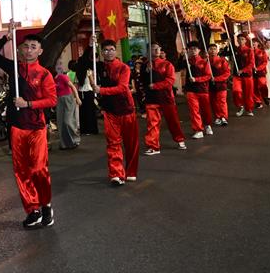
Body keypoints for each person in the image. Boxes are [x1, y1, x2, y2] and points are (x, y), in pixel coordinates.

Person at [0, 31, 56, 226]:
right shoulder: (14, 68)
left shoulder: (44, 74)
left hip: (36, 127)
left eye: (33, 47)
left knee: (38, 169)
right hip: (16, 126)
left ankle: (46, 205)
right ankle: (32, 209)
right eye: (26, 47)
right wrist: (5, 38)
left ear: (40, 51)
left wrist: (28, 104)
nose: (28, 50)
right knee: (21, 170)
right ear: (20, 49)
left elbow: (52, 99)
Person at [94, 40, 138, 185]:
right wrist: (91, 44)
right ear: (101, 52)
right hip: (109, 111)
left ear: (116, 51)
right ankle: (116, 174)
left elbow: (122, 88)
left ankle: (131, 171)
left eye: (111, 49)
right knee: (113, 143)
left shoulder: (124, 68)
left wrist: (101, 90)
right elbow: (84, 63)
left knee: (130, 143)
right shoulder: (98, 67)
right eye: (105, 50)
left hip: (126, 109)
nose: (109, 52)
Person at [142, 44, 186, 155]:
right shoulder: (145, 65)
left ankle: (180, 139)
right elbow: (143, 82)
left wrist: (156, 86)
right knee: (152, 123)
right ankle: (153, 146)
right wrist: (147, 72)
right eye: (153, 49)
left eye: (158, 48)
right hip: (151, 98)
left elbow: (170, 81)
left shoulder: (167, 65)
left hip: (166, 98)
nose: (157, 50)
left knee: (173, 121)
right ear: (148, 51)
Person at [184, 41, 213, 139]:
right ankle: (198, 130)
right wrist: (182, 56)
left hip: (202, 89)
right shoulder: (187, 61)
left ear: (199, 50)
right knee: (194, 110)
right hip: (190, 90)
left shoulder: (204, 62)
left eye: (195, 49)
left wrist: (196, 79)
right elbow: (177, 66)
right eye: (191, 49)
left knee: (205, 109)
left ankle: (207, 125)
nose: (193, 50)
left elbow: (208, 76)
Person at [54, 59, 81, 150]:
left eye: (60, 65)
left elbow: (72, 86)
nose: (59, 67)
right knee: (61, 123)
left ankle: (75, 140)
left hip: (68, 99)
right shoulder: (54, 79)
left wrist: (77, 98)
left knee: (68, 121)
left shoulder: (63, 77)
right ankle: (64, 144)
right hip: (59, 101)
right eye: (57, 65)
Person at [74, 53, 98, 135]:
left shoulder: (77, 72)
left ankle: (84, 130)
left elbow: (76, 84)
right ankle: (91, 129)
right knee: (90, 111)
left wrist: (76, 96)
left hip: (81, 93)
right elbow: (92, 82)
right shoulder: (88, 71)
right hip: (89, 92)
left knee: (82, 112)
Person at [232, 33, 256, 116]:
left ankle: (249, 109)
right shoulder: (234, 49)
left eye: (242, 39)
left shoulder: (249, 50)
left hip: (247, 75)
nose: (240, 41)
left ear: (246, 40)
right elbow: (224, 54)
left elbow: (251, 63)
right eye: (239, 39)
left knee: (248, 93)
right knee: (236, 91)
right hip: (237, 75)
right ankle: (240, 106)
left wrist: (243, 70)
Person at [208, 43, 232, 126]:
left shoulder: (222, 60)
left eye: (214, 49)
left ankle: (224, 117)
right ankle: (217, 117)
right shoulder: (206, 61)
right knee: (214, 102)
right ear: (208, 51)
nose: (213, 51)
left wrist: (217, 79)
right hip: (210, 85)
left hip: (221, 85)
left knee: (222, 101)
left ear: (217, 50)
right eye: (211, 49)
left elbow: (227, 73)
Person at [252, 38, 270, 109]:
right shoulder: (250, 52)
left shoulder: (262, 52)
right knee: (254, 87)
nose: (253, 44)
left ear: (258, 43)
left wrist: (258, 68)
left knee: (262, 84)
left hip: (261, 72)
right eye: (252, 42)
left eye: (254, 42)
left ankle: (265, 96)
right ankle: (258, 102)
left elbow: (265, 62)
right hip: (252, 72)